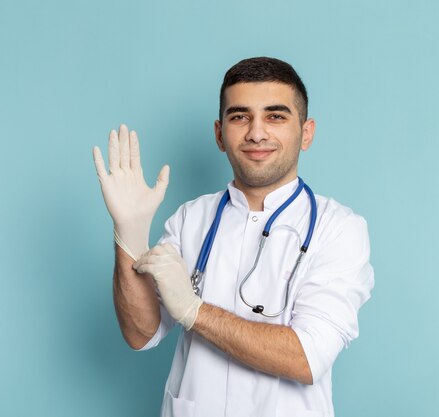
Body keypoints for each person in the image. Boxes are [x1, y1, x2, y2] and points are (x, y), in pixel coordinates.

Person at [92, 57, 374, 417]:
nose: (256, 132)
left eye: (276, 116)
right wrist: (128, 234)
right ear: (219, 134)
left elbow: (306, 357)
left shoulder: (339, 228)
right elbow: (140, 333)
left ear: (306, 133)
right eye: (240, 116)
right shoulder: (191, 219)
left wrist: (195, 311)